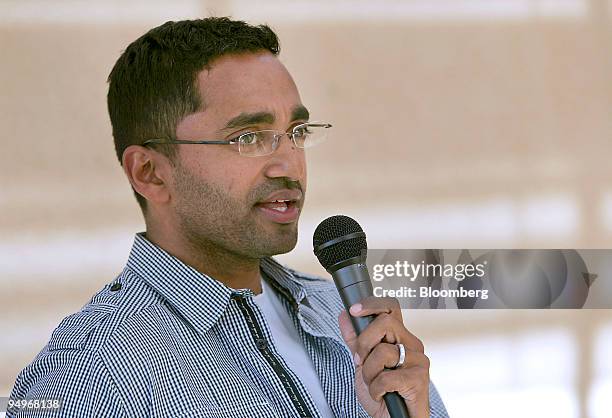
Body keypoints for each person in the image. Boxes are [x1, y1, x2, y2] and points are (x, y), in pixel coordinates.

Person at [8, 18, 449, 418]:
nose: (288, 165)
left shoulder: (341, 313)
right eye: (248, 137)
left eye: (296, 133)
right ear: (150, 173)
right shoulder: (92, 374)